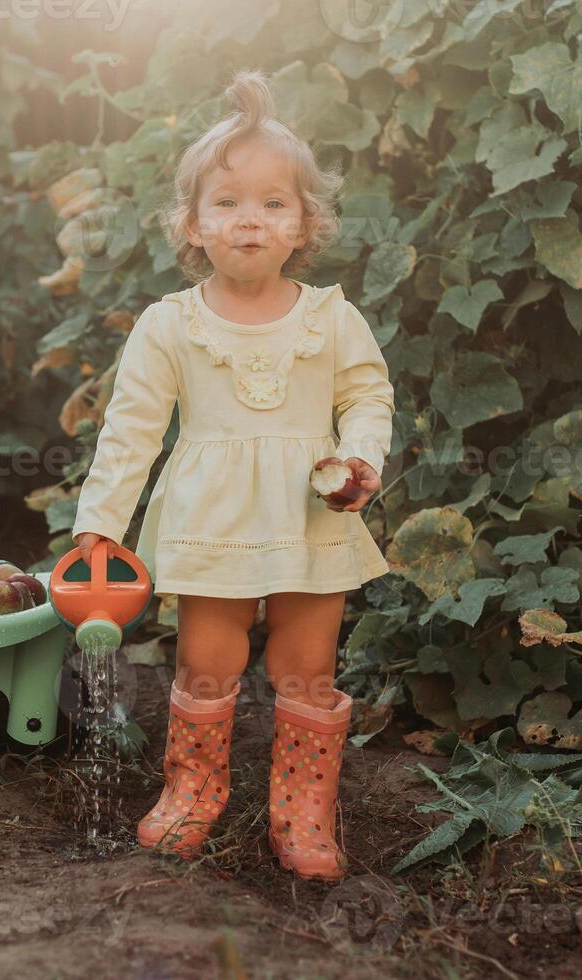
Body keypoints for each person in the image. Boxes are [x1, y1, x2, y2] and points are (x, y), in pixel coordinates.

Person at [69, 69, 395, 882]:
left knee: (306, 668)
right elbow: (132, 428)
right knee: (206, 663)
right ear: (191, 222)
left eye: (273, 203)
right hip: (210, 520)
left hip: (312, 519)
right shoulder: (169, 325)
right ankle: (194, 788)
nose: (250, 219)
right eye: (227, 203)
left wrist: (361, 461)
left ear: (304, 223)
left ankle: (303, 813)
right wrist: (99, 522)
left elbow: (367, 395)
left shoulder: (331, 316)